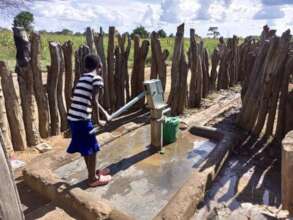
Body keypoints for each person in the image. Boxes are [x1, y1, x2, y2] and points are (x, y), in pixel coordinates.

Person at [67, 54, 112, 187]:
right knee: (92, 148)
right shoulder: (97, 78)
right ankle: (92, 179)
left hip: (73, 118)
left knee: (87, 149)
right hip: (82, 120)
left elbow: (91, 100)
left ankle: (93, 173)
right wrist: (98, 121)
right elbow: (94, 100)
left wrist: (105, 114)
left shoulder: (83, 77)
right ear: (100, 66)